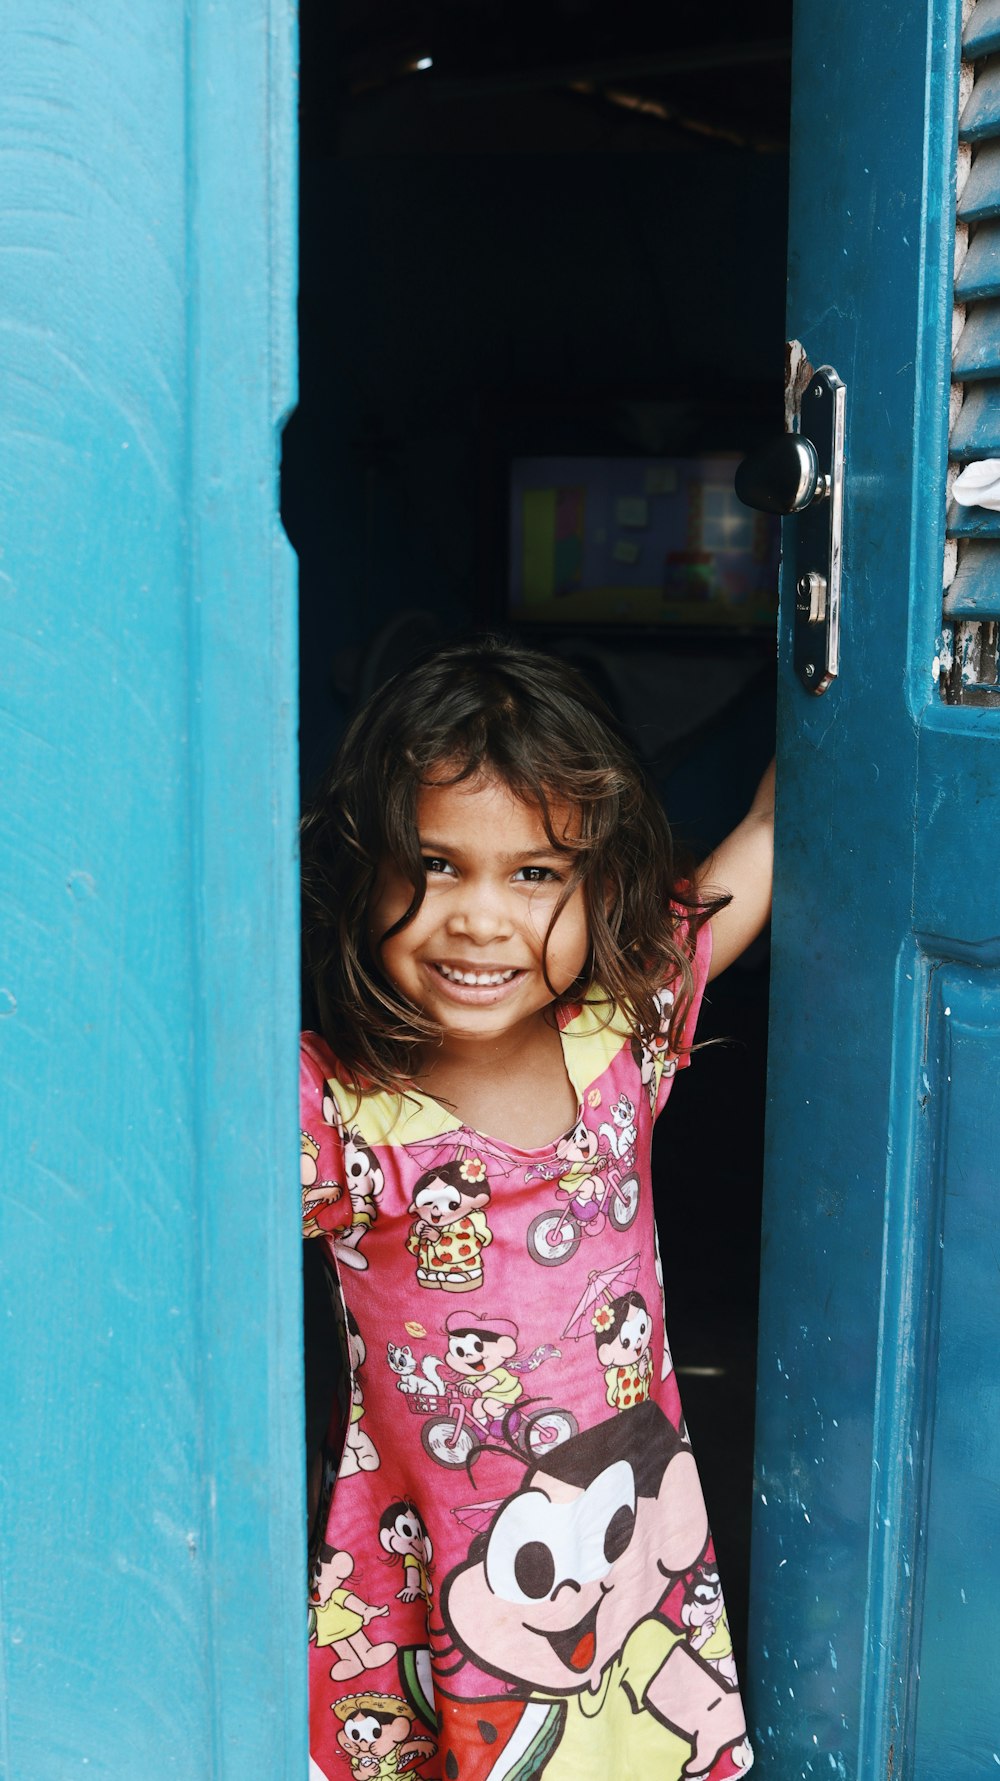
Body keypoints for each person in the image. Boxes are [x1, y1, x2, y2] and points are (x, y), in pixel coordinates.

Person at [299, 637, 773, 1780]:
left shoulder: (617, 1035)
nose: (478, 918)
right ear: (364, 873)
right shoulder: (335, 1110)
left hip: (623, 1537)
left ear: (598, 884)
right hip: (440, 1563)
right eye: (435, 864)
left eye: (533, 873)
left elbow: (760, 845)